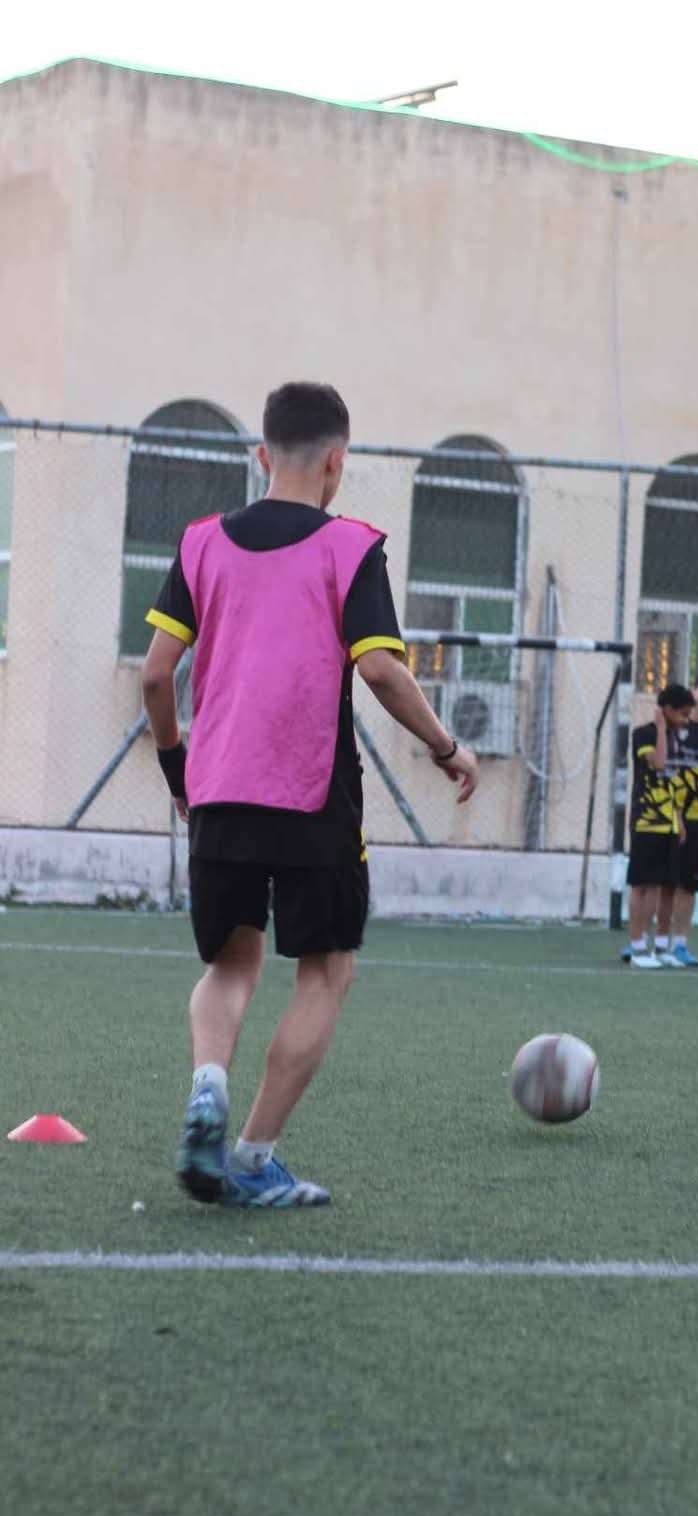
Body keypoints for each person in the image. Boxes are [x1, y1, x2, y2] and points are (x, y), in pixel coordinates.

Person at [141, 381, 479, 1209]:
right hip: (312, 793)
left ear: (262, 454)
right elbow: (381, 670)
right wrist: (445, 747)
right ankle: (254, 1158)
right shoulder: (351, 547)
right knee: (327, 971)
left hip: (218, 787)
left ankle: (208, 1084)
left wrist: (178, 768)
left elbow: (155, 676)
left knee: (231, 961)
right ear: (337, 461)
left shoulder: (200, 542)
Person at [654, 671, 698, 966]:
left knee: (689, 884)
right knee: (666, 882)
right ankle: (657, 943)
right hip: (671, 817)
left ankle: (680, 944)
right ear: (694, 693)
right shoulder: (676, 727)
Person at [622, 683, 695, 968]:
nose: (686, 720)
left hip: (669, 824)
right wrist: (662, 728)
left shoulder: (676, 738)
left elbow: (673, 781)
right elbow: (660, 764)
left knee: (667, 886)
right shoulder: (644, 734)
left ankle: (662, 947)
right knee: (644, 885)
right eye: (683, 714)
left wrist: (679, 819)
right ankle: (638, 947)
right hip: (647, 821)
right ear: (666, 710)